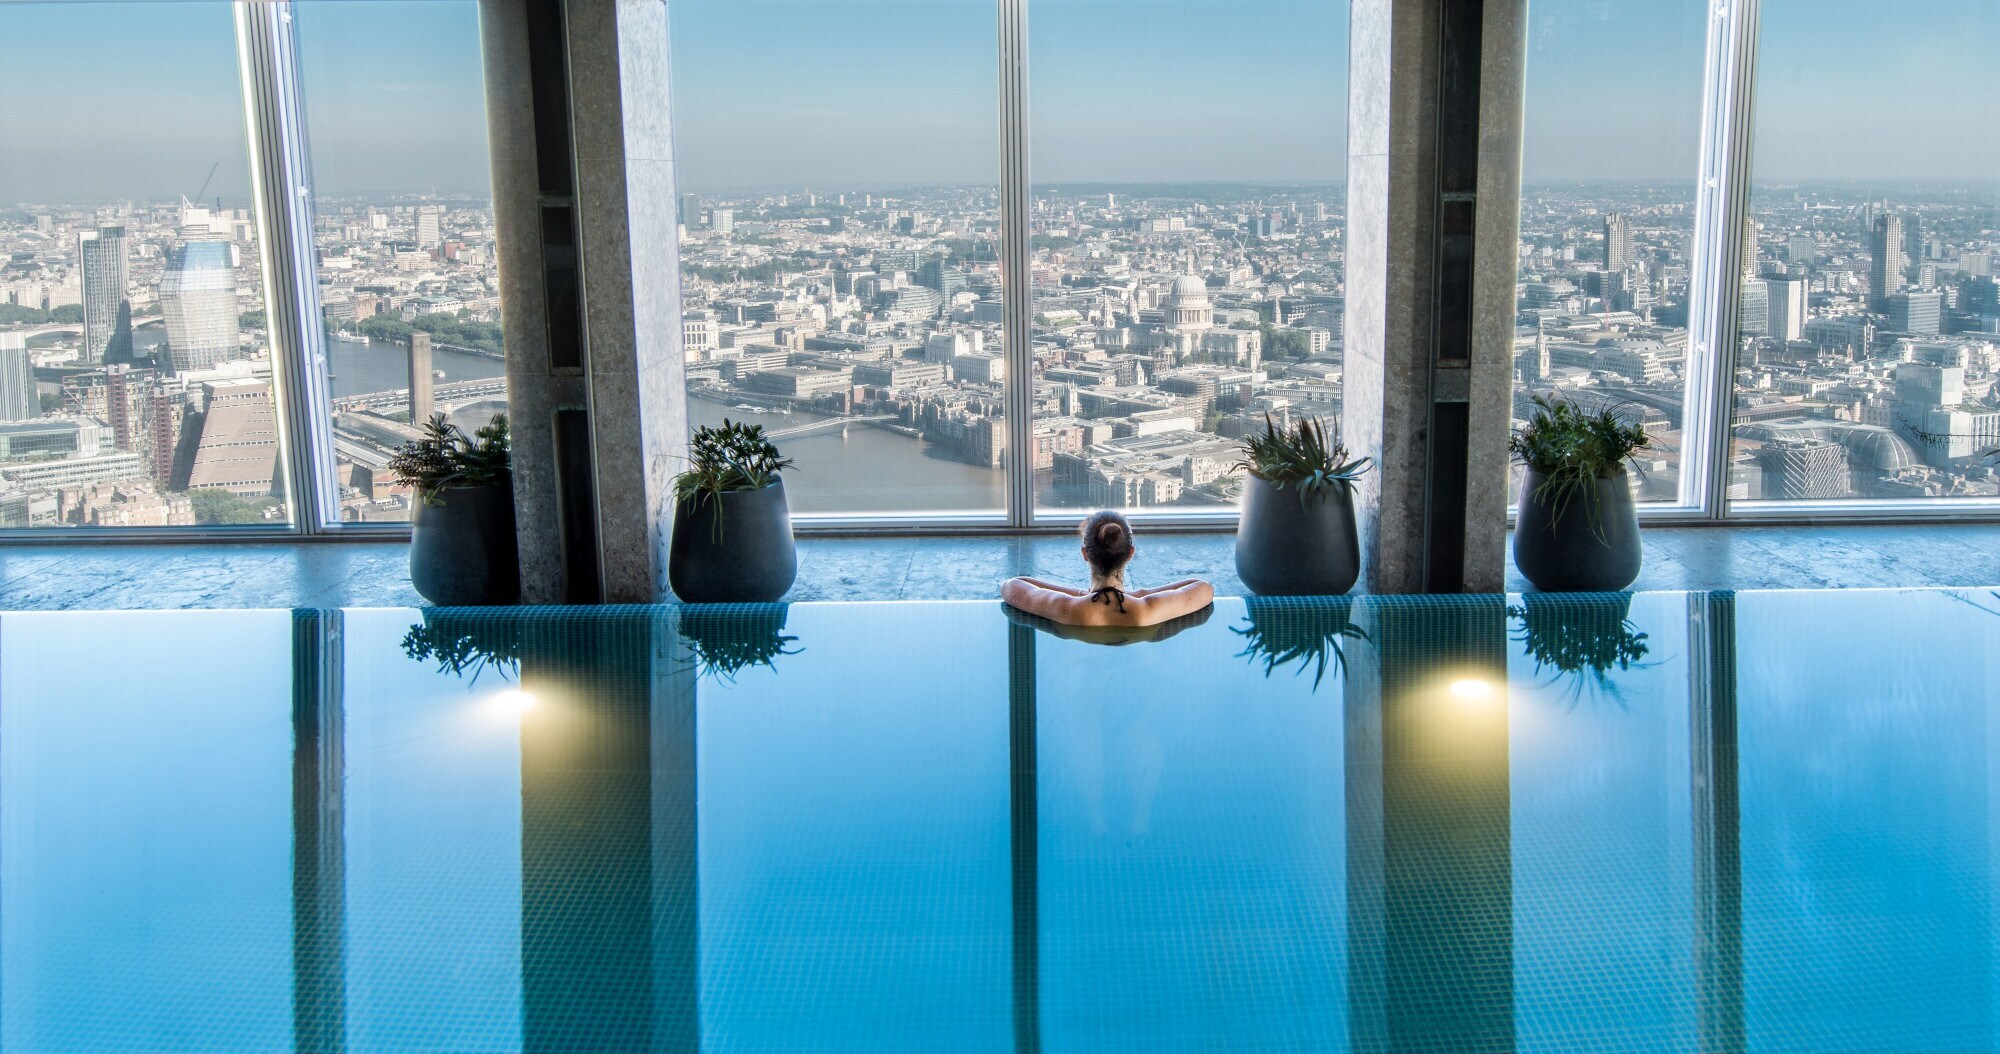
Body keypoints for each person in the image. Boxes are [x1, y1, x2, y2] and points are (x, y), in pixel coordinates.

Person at [1002, 510, 1215, 628]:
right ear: (1130, 553)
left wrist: (1080, 596)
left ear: (1085, 554)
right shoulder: (1147, 609)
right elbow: (1204, 588)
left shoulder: (1067, 607)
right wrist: (1137, 596)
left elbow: (1011, 587)